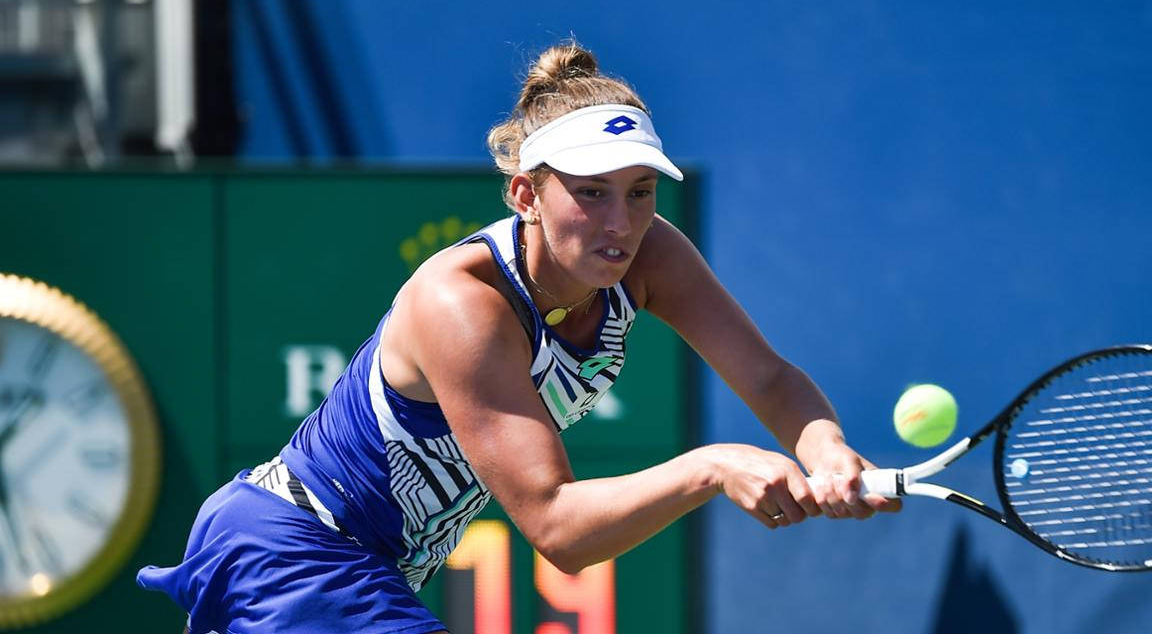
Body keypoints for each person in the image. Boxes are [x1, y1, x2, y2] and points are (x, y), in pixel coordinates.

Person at [138, 42, 900, 633]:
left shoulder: (652, 254)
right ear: (525, 195)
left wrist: (823, 446)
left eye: (640, 193)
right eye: (591, 193)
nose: (621, 223)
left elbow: (768, 380)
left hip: (361, 568)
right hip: (297, 551)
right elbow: (557, 525)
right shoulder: (461, 303)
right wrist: (713, 465)